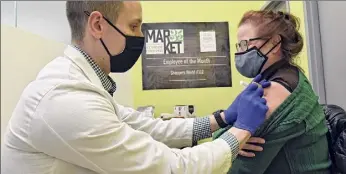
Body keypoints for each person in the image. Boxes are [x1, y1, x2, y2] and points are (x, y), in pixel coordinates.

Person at [1, 2, 271, 174]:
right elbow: (172, 168)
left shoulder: (84, 85)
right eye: (133, 26)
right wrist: (241, 130)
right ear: (97, 25)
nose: (141, 37)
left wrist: (220, 119)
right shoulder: (66, 99)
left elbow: (150, 128)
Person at [213, 10, 331, 173]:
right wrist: (231, 140)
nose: (240, 52)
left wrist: (227, 140)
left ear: (274, 43)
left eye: (245, 44)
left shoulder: (276, 89)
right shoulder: (286, 76)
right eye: (238, 46)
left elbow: (238, 167)